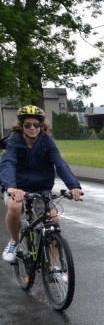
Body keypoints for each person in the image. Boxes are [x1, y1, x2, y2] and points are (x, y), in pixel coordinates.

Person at [0, 105, 83, 264]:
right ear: (21, 126)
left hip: (41, 187)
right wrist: (11, 187)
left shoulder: (46, 141)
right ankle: (14, 242)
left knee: (53, 221)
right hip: (17, 187)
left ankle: (54, 267)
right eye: (28, 125)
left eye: (36, 125)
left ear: (41, 126)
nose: (32, 128)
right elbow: (8, 163)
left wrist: (74, 186)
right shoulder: (14, 141)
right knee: (15, 207)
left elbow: (59, 163)